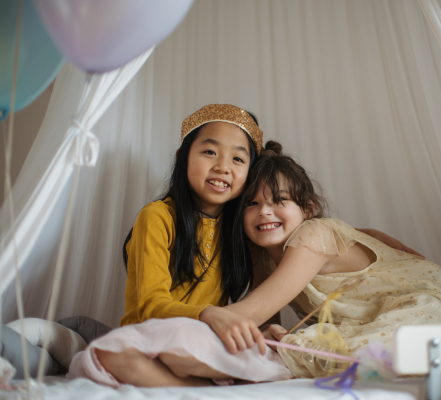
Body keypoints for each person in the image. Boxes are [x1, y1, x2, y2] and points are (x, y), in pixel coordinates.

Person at [70, 108, 419, 387]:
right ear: (182, 156)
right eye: (209, 152)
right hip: (162, 330)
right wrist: (210, 316)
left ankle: (208, 381)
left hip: (209, 337)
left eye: (238, 159)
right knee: (117, 353)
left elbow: (263, 304)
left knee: (232, 349)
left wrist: (261, 333)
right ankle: (205, 383)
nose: (222, 166)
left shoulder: (242, 231)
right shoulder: (158, 217)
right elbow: (149, 304)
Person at [203, 141, 441, 378]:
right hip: (372, 318)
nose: (264, 212)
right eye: (252, 204)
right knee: (289, 345)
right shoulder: (261, 254)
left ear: (308, 209)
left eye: (279, 200)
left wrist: (186, 318)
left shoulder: (313, 236)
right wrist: (264, 333)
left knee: (323, 350)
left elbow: (251, 313)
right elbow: (261, 315)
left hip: (428, 306)